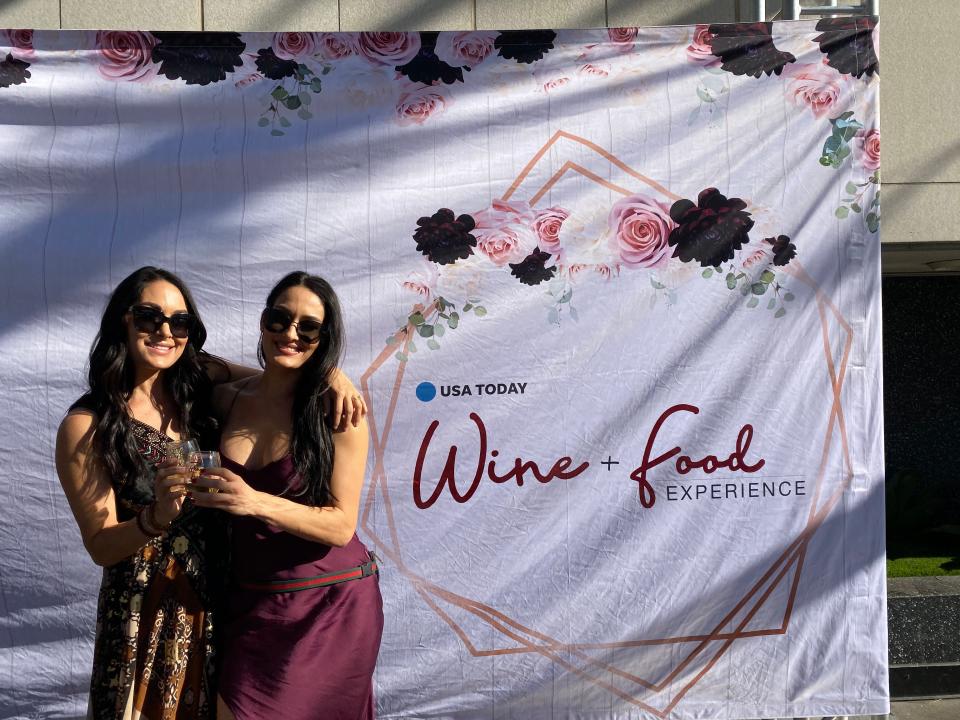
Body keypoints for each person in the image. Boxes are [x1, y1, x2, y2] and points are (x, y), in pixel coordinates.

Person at [55, 266, 364, 720]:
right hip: (146, 608)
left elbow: (277, 375)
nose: (165, 331)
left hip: (221, 601)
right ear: (123, 319)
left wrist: (331, 373)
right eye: (149, 317)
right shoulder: (87, 425)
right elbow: (101, 545)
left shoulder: (197, 386)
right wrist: (154, 517)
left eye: (180, 322)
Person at [189, 271, 383, 720]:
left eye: (308, 327)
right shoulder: (225, 398)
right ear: (262, 321)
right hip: (252, 602)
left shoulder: (337, 412)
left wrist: (253, 501)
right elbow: (188, 360)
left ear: (325, 336)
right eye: (279, 318)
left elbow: (340, 524)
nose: (290, 333)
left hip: (329, 602)